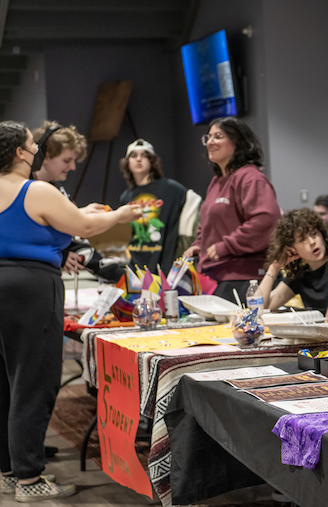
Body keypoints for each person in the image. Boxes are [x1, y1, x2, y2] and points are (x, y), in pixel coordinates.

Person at [0, 121, 138, 501]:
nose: (36, 152)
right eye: (32, 147)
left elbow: (55, 220)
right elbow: (84, 225)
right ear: (19, 153)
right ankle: (30, 480)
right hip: (30, 288)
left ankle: (10, 471)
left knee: (4, 383)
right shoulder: (35, 190)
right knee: (33, 381)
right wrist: (121, 214)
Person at [182, 117, 280, 302]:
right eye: (208, 137)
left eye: (218, 136)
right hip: (214, 276)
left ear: (238, 142)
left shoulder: (250, 178)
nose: (210, 142)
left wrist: (227, 245)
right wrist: (199, 245)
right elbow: (208, 225)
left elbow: (266, 220)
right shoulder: (216, 181)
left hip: (243, 278)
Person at [32, 121, 124, 282]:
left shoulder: (58, 191)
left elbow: (76, 239)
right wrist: (58, 254)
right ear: (45, 156)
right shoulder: (21, 189)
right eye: (67, 160)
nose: (73, 167)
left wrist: (125, 276)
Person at [257, 208, 328, 321]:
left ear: (322, 234)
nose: (312, 242)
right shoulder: (301, 272)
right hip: (318, 335)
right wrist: (274, 267)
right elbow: (258, 309)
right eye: (302, 240)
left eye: (314, 234)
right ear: (292, 248)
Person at [119, 138, 188, 274]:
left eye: (144, 156)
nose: (138, 159)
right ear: (127, 162)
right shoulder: (126, 197)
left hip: (164, 265)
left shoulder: (172, 189)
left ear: (152, 161)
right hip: (136, 267)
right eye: (134, 156)